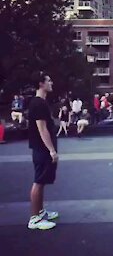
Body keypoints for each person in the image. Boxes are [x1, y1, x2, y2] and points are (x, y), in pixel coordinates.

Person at [27, 72, 59, 230]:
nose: (51, 82)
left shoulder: (41, 102)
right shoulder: (38, 103)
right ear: (41, 84)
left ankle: (40, 212)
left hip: (42, 148)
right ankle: (34, 219)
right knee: (38, 181)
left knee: (42, 180)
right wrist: (51, 150)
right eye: (49, 80)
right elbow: (42, 129)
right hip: (42, 148)